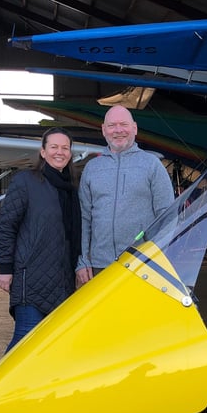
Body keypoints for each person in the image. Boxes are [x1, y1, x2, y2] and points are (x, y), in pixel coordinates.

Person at [0, 127, 81, 352]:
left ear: (70, 154)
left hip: (62, 280)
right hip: (30, 277)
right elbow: (6, 226)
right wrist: (5, 267)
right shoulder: (26, 181)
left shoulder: (71, 189)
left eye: (65, 148)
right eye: (54, 147)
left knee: (52, 345)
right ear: (43, 152)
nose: (59, 152)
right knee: (25, 339)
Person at [76, 105, 174, 286]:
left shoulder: (152, 165)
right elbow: (84, 219)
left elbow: (167, 215)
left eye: (124, 124)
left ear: (134, 128)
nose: (118, 130)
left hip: (141, 265)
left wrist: (156, 256)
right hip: (99, 266)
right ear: (104, 130)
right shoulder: (92, 168)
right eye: (112, 125)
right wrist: (82, 261)